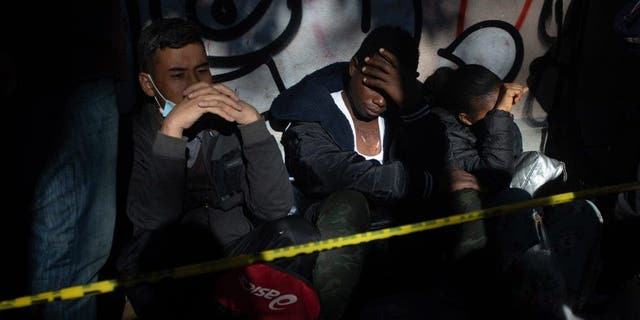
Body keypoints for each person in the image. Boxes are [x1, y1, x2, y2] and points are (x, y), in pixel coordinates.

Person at [115, 18, 320, 318]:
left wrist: (252, 124)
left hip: (231, 255)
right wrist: (171, 131)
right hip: (166, 268)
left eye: (202, 71)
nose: (195, 85)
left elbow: (274, 209)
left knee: (297, 235)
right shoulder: (132, 136)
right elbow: (153, 225)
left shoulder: (225, 123)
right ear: (148, 84)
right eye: (177, 75)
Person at [269, 26, 440, 319]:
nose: (380, 99)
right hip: (326, 233)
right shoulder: (312, 108)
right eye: (373, 84)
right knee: (348, 201)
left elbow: (438, 160)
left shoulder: (401, 110)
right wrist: (412, 183)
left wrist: (412, 106)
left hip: (391, 236)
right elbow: (328, 170)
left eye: (390, 89)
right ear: (353, 68)